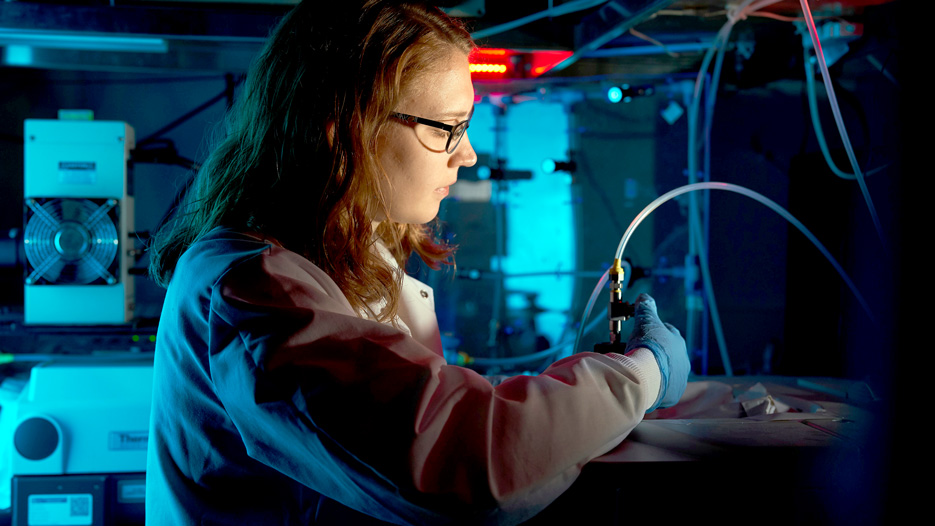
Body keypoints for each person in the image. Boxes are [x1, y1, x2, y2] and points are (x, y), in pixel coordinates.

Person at [145, 1, 690, 524]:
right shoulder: (253, 289)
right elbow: (472, 461)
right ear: (344, 125)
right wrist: (641, 373)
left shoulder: (339, 261)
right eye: (446, 126)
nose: (468, 152)